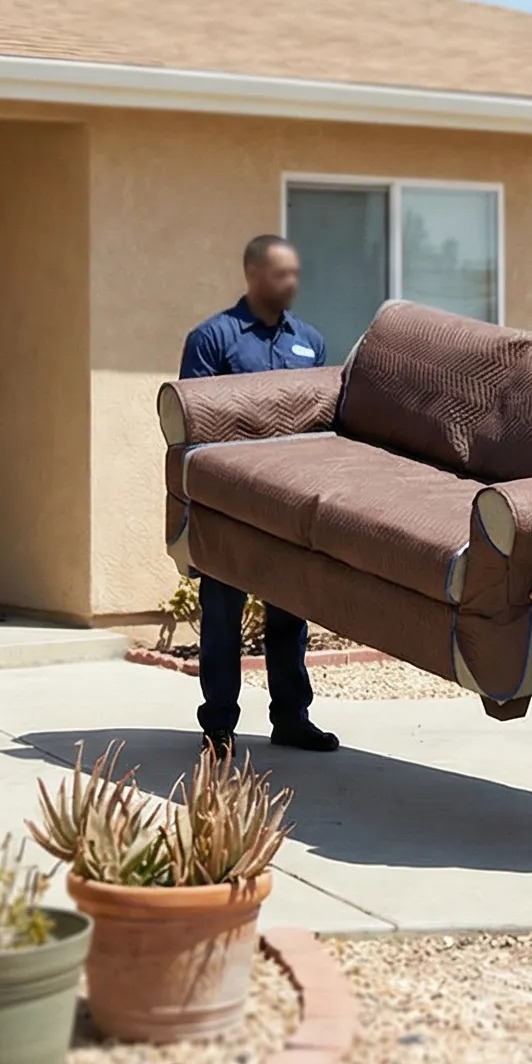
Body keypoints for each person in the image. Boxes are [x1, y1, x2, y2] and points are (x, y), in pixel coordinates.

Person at [181, 234, 339, 755]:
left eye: (295, 274)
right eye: (280, 274)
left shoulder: (309, 341)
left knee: (290, 614)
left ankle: (292, 718)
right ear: (252, 274)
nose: (291, 283)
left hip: (290, 504)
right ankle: (219, 725)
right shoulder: (213, 339)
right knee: (223, 615)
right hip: (230, 508)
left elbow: (323, 421)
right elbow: (195, 425)